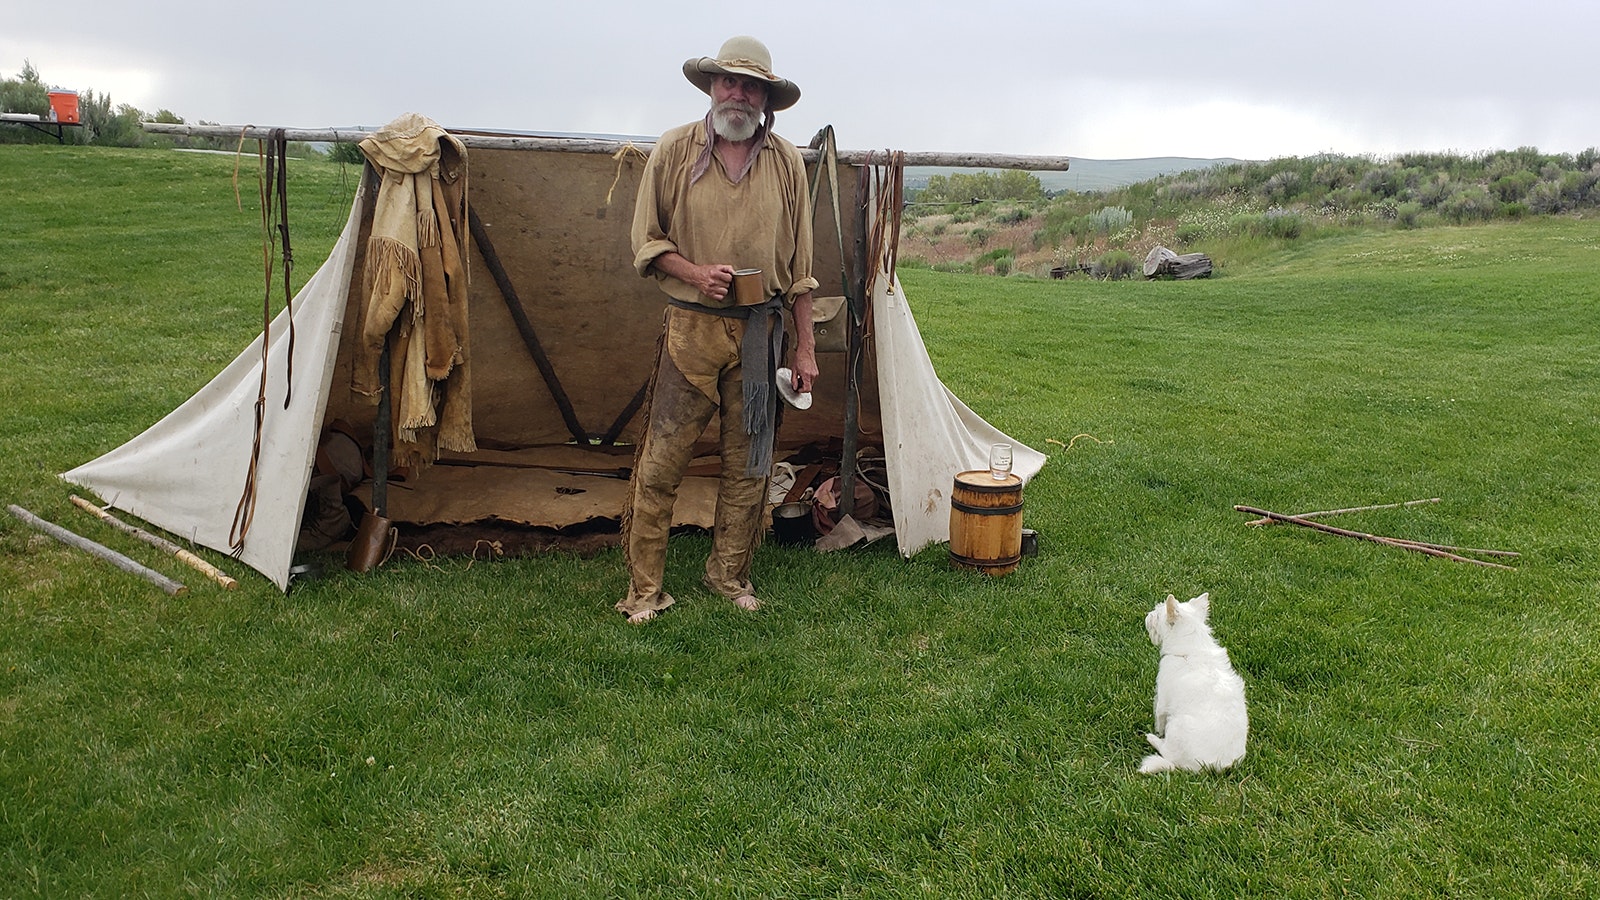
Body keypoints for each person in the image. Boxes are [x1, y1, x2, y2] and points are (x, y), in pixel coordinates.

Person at [619, 35, 820, 625]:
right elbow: (647, 243)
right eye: (729, 81)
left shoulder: (786, 162)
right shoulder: (674, 149)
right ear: (711, 87)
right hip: (691, 331)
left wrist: (804, 347)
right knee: (660, 465)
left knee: (750, 466)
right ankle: (644, 590)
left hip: (761, 337)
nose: (738, 93)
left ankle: (728, 575)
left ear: (766, 99)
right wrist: (693, 272)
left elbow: (801, 272)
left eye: (751, 85)